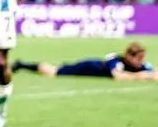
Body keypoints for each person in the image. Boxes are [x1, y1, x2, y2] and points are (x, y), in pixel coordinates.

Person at [13, 42, 156, 81]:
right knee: (53, 72)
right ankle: (22, 65)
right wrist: (144, 76)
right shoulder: (116, 60)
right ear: (129, 57)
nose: (142, 61)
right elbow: (118, 76)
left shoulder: (143, 66)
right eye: (139, 58)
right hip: (87, 66)